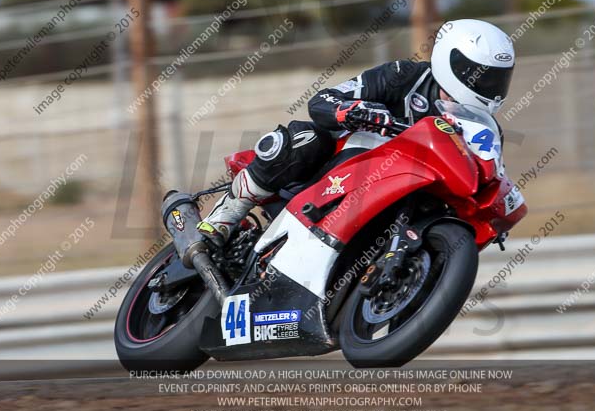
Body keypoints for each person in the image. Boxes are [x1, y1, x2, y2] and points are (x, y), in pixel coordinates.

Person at [193, 19, 516, 249]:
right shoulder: (404, 76)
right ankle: (228, 213)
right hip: (350, 165)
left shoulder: (485, 129)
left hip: (415, 194)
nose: (487, 86)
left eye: (496, 78)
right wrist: (353, 110)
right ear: (451, 60)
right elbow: (322, 101)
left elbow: (485, 174)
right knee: (307, 138)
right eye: (481, 75)